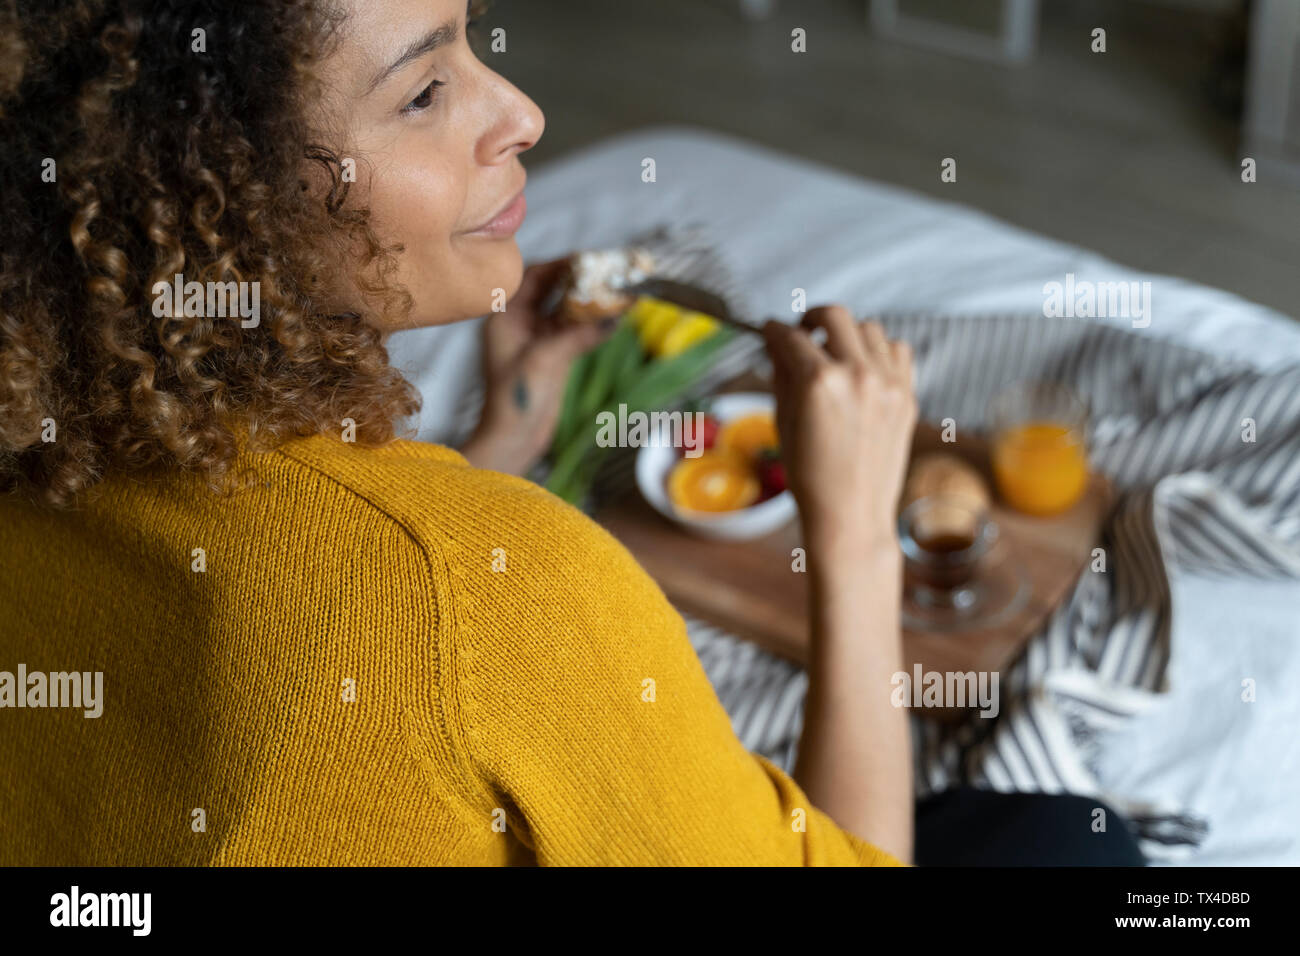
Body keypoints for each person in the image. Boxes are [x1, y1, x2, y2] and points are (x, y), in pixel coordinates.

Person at [0, 0, 1142, 867]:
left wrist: (509, 426)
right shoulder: (508, 597)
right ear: (213, 192)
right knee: (1074, 838)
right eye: (421, 94)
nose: (522, 113)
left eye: (470, 42)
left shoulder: (40, 443)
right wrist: (847, 535)